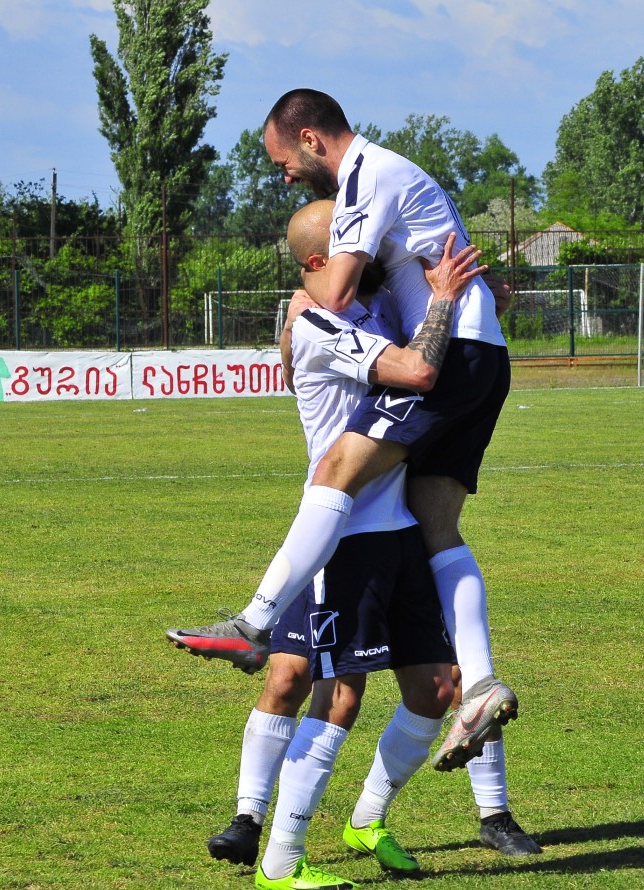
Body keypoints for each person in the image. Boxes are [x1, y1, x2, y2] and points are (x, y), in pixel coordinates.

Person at [168, 88, 515, 772]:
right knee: (438, 525)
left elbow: (335, 293)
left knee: (333, 471)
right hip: (484, 354)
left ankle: (254, 624)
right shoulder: (391, 171)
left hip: (452, 357)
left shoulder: (365, 174)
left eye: (283, 162)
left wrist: (304, 299)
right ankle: (479, 685)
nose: (285, 176)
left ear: (311, 138)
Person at [209, 201, 538, 890]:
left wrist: (475, 305)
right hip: (346, 539)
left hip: (400, 535)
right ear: (321, 261)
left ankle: (366, 817)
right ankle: (278, 852)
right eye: (351, 239)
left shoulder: (374, 304)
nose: (371, 241)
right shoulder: (315, 320)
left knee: (438, 687)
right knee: (329, 693)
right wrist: (444, 303)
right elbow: (417, 371)